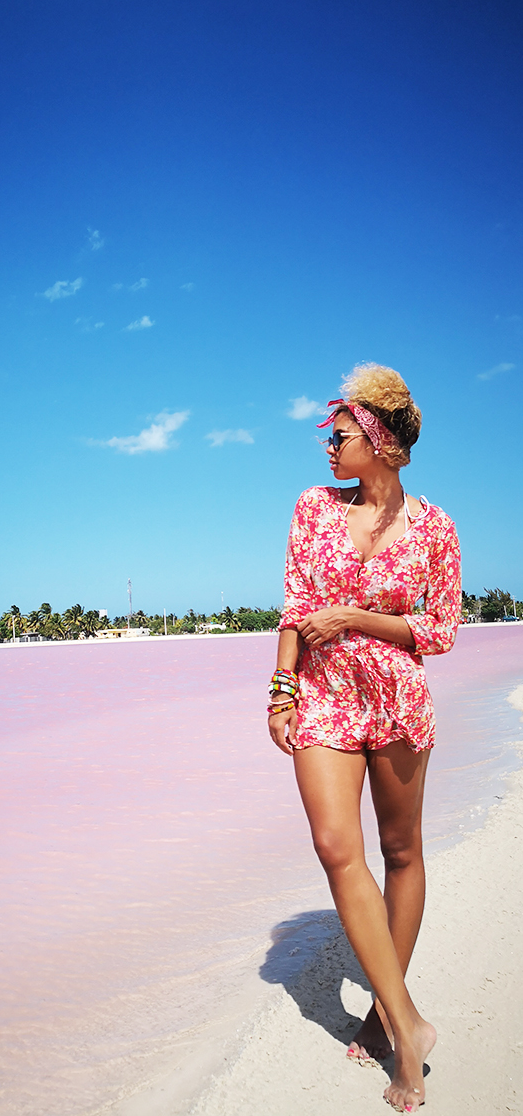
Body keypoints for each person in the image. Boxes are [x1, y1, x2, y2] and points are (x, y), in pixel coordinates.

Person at [268, 364, 459, 1113]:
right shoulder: (312, 508)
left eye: (341, 436)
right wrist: (279, 691)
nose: (328, 448)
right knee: (334, 848)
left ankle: (384, 1013)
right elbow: (292, 605)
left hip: (397, 698)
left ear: (379, 443)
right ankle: (408, 1024)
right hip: (321, 695)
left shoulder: (435, 527)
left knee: (401, 851)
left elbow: (438, 630)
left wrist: (352, 618)